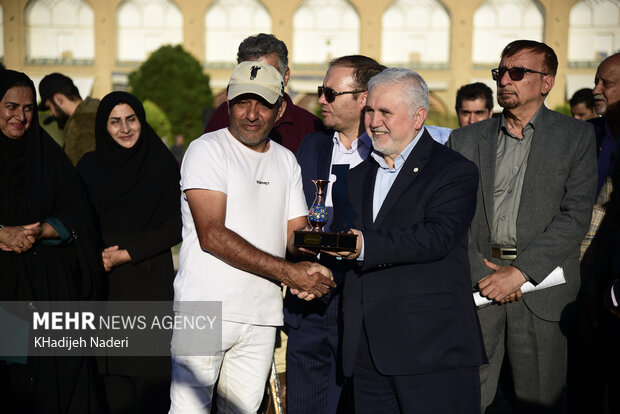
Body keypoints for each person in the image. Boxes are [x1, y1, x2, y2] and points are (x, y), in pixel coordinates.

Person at [169, 61, 336, 414]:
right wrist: (289, 273)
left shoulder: (287, 160)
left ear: (281, 109)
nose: (251, 113)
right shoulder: (206, 149)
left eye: (262, 103)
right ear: (228, 103)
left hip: (262, 315)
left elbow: (296, 235)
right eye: (242, 102)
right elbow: (212, 234)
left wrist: (331, 252)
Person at [448, 40, 597, 413]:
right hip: (477, 285)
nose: (504, 81)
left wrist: (519, 273)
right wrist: (484, 273)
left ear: (546, 82)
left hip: (542, 291)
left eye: (517, 73)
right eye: (500, 73)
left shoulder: (576, 137)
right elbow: (451, 215)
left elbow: (575, 215)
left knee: (539, 400)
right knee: (468, 399)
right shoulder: (464, 140)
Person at [328, 68, 486, 413]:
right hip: (367, 352)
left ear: (419, 118)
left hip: (431, 350)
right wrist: (319, 274)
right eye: (370, 110)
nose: (374, 121)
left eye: (385, 112)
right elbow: (343, 247)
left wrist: (365, 247)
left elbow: (437, 236)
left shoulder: (454, 170)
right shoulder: (354, 179)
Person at [0, 70, 106, 412]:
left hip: (48, 291)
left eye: (29, 108)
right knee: (14, 381)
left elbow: (79, 212)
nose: (21, 116)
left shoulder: (47, 156)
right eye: (11, 107)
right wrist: (2, 233)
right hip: (7, 296)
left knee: (54, 382)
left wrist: (43, 230)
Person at [284, 55, 384, 414]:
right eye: (320, 91)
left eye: (330, 92)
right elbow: (290, 221)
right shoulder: (311, 147)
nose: (321, 100)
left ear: (363, 97)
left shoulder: (388, 153)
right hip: (310, 303)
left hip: (367, 306)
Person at [76, 91, 182, 413]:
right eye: (115, 122)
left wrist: (129, 252)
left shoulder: (162, 164)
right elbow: (78, 218)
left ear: (141, 120)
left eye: (131, 119)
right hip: (105, 285)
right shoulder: (89, 167)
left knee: (151, 388)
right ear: (102, 127)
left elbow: (178, 224)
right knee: (112, 388)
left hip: (148, 283)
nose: (125, 129)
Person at [575, 52, 620, 414]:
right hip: (578, 279)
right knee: (581, 384)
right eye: (596, 81)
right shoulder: (584, 136)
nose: (596, 90)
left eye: (606, 83)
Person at [204, 33, 324, 152]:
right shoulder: (223, 115)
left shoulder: (310, 127)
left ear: (285, 75)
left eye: (269, 74)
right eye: (249, 74)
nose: (252, 115)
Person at [38, 73, 99, 165]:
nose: (51, 113)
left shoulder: (79, 123)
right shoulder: (98, 110)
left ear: (59, 99)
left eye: (50, 107)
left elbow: (86, 171)